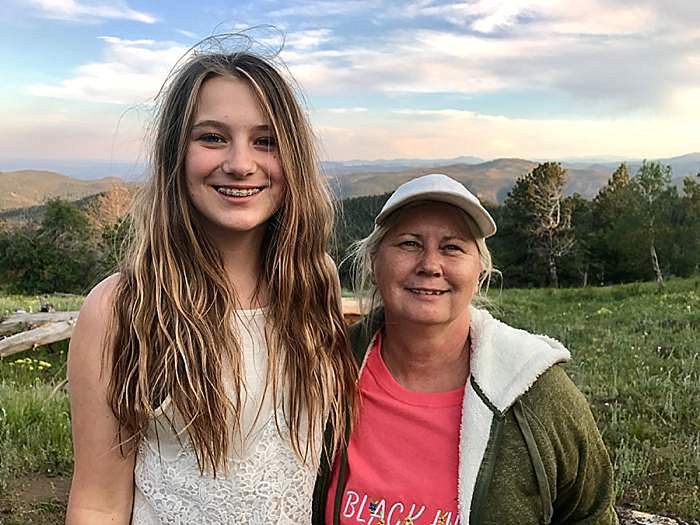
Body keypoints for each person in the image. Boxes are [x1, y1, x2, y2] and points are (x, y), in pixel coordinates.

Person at [66, 49, 356, 524]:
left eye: (265, 141)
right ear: (175, 152)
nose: (241, 164)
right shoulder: (122, 308)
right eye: (213, 137)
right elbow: (98, 502)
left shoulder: (311, 283)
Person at [313, 174, 618, 525]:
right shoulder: (325, 370)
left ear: (480, 271)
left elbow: (590, 513)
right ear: (373, 262)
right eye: (409, 244)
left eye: (452, 247)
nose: (430, 264)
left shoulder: (534, 392)